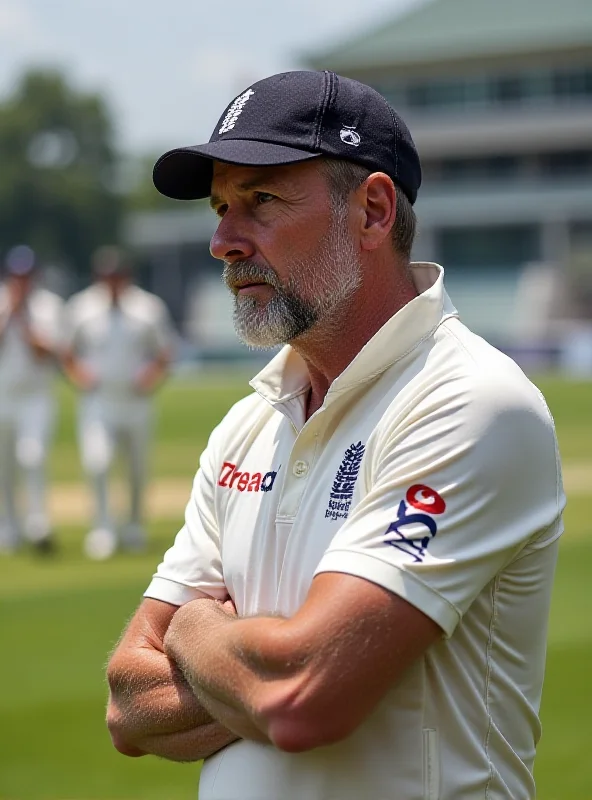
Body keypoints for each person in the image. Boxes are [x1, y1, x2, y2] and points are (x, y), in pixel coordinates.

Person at [106, 71, 565, 800]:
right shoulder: (248, 423)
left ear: (373, 212)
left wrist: (195, 630)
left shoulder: (471, 401)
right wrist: (256, 673)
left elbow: (301, 697)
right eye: (222, 207)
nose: (225, 240)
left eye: (261, 200)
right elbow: (129, 704)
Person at [62, 246, 174, 560]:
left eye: (116, 275)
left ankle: (134, 526)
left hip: (136, 399)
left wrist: (150, 377)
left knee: (137, 467)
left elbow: (165, 352)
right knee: (97, 462)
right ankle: (103, 529)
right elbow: (68, 353)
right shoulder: (82, 307)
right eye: (105, 275)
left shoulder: (147, 308)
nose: (111, 281)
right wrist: (79, 376)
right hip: (99, 400)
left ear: (126, 275)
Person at [0, 245, 63, 554]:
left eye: (26, 274)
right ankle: (7, 528)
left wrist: (23, 320)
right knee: (4, 466)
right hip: (3, 396)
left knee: (32, 456)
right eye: (16, 274)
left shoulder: (47, 306)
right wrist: (9, 312)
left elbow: (46, 352)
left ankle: (38, 525)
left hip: (36, 397)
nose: (21, 280)